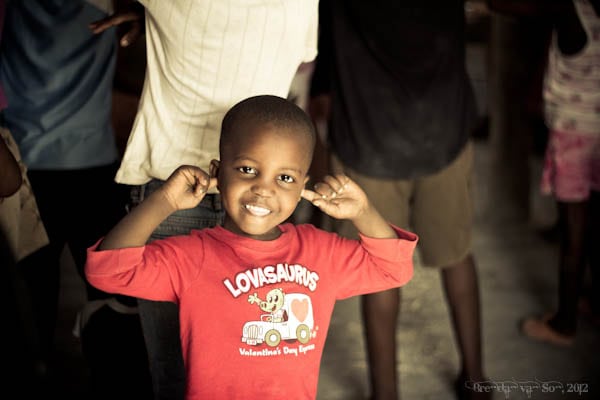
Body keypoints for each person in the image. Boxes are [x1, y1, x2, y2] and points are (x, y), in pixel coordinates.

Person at [84, 94, 417, 400]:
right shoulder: (193, 257)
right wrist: (166, 200)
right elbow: (107, 272)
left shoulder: (319, 253)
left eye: (284, 178)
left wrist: (363, 212)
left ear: (303, 185)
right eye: (247, 170)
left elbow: (394, 269)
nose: (263, 189)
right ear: (217, 172)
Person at [89, 2, 320, 398]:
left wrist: (146, 15)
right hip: (263, 205)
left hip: (173, 197)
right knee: (256, 359)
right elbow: (303, 53)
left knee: (174, 366)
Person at [309, 1, 490, 399]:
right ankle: (476, 380)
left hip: (367, 137)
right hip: (441, 132)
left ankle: (386, 393)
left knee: (379, 271)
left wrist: (321, 88)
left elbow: (320, 34)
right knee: (456, 255)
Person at [0, 1, 150, 397]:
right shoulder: (110, 3)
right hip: (89, 168)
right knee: (111, 303)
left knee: (32, 306)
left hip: (23, 171)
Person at [521, 0, 600, 346]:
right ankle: (595, 304)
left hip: (574, 136)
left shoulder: (570, 11)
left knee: (574, 235)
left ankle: (564, 324)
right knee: (595, 225)